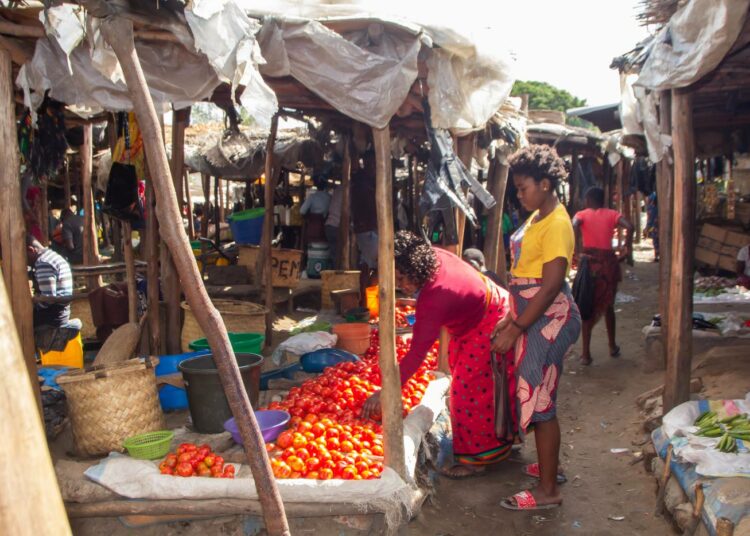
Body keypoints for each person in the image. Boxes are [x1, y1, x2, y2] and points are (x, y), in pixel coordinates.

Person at [362, 231, 517, 478]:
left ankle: (475, 461)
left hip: (490, 321)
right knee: (478, 381)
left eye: (402, 278)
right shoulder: (432, 257)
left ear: (415, 267)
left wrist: (386, 391)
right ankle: (501, 439)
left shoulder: (434, 298)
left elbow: (415, 355)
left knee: (467, 391)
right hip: (484, 309)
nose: (401, 286)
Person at [491, 144, 581, 511]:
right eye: (517, 188)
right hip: (534, 318)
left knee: (540, 398)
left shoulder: (558, 223)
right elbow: (524, 275)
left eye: (523, 187)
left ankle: (547, 491)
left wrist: (517, 327)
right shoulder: (538, 216)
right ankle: (549, 467)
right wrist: (513, 317)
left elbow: (550, 285)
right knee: (538, 392)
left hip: (551, 320)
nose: (519, 193)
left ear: (545, 184)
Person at [572, 187, 633, 365]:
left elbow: (572, 224)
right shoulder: (612, 214)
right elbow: (630, 226)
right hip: (608, 265)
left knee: (587, 305)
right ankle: (612, 345)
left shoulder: (582, 214)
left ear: (588, 201)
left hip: (590, 264)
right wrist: (626, 248)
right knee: (608, 305)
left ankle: (585, 354)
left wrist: (576, 251)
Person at [26, 235, 73, 329]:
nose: (25, 262)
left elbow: (47, 299)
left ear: (31, 250)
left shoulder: (43, 262)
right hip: (62, 312)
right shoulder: (51, 256)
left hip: (54, 316)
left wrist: (32, 303)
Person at [350, 152, 378, 270]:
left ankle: (366, 286)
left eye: (374, 164)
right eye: (371, 163)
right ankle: (364, 286)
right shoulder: (361, 179)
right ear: (365, 163)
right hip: (364, 227)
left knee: (369, 260)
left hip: (370, 227)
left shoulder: (371, 180)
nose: (373, 167)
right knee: (369, 262)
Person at [300, 173, 331, 243]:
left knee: (313, 249)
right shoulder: (329, 197)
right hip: (325, 227)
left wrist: (308, 219)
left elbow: (302, 211)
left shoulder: (312, 197)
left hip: (313, 227)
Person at [325, 183, 344, 269]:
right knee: (338, 254)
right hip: (336, 226)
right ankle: (337, 274)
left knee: (334, 253)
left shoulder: (338, 189)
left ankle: (334, 272)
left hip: (329, 225)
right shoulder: (347, 190)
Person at [644, 191, 659, 261]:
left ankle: (657, 255)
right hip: (657, 224)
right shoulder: (653, 203)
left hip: (656, 225)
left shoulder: (652, 206)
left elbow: (650, 218)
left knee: (656, 240)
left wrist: (647, 227)